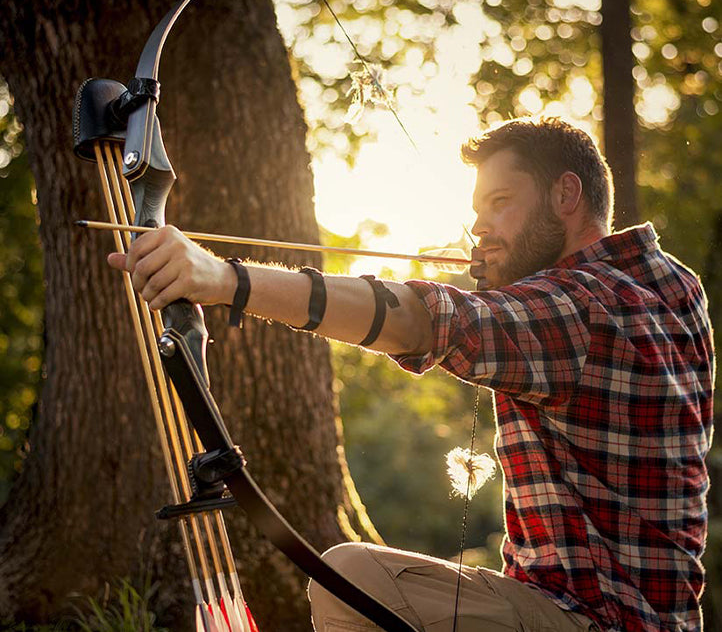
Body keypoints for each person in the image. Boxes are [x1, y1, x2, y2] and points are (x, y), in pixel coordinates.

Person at [108, 116, 713, 632]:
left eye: (501, 203)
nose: (480, 229)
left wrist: (224, 281)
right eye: (478, 211)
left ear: (566, 196)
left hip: (590, 618)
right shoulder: (669, 286)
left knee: (351, 576)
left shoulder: (583, 309)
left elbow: (427, 321)